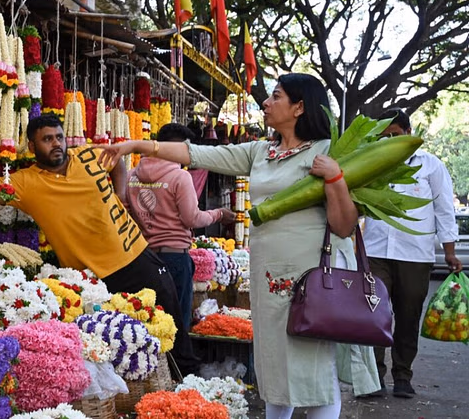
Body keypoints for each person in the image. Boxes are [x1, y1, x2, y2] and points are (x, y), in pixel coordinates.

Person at [97, 73, 381, 419]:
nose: (266, 102)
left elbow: (343, 225)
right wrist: (136, 146)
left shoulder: (327, 151)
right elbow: (195, 153)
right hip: (268, 278)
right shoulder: (261, 152)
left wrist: (335, 177)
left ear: (299, 107)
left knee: (314, 369)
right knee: (274, 364)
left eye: (275, 96)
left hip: (312, 279)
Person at [0, 114, 201, 376]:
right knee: (119, 351)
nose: (56, 144)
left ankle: (189, 390)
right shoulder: (26, 183)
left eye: (59, 137)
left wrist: (121, 193)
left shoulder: (88, 155)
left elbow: (119, 161)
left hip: (138, 258)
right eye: (47, 139)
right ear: (31, 146)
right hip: (95, 281)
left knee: (173, 335)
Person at [363, 108, 463, 399]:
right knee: (375, 315)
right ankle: (374, 379)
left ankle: (403, 376)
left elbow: (444, 210)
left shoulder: (430, 165)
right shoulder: (372, 165)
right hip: (376, 251)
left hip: (415, 255)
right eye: (383, 137)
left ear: (408, 133)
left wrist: (450, 252)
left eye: (394, 135)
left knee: (408, 318)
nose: (389, 141)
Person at [124, 123, 235, 329]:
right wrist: (218, 214)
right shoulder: (180, 176)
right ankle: (179, 361)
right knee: (176, 325)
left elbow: (125, 214)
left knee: (147, 321)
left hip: (143, 258)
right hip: (174, 257)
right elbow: (191, 218)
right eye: (187, 150)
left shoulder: (131, 176)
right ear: (178, 148)